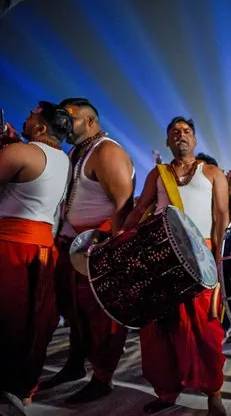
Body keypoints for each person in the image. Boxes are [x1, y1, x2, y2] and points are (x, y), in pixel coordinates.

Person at [121, 116, 229, 416]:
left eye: (187, 132)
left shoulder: (212, 173)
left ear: (195, 140)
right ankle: (166, 392)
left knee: (206, 329)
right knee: (159, 330)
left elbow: (221, 216)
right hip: (161, 257)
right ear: (167, 141)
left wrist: (221, 260)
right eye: (175, 132)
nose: (181, 135)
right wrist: (119, 238)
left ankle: (214, 392)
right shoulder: (157, 175)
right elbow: (140, 210)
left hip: (201, 256)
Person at [40, 98, 134, 403]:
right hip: (72, 247)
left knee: (101, 317)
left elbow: (124, 205)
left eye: (70, 117)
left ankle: (102, 378)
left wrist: (114, 252)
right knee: (74, 312)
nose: (64, 123)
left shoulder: (107, 151)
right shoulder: (76, 151)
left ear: (90, 121)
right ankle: (74, 364)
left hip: (98, 247)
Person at [0, 102, 72, 408]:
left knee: (7, 320)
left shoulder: (21, 153)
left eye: (31, 116)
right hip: (42, 244)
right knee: (31, 321)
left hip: (11, 245)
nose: (26, 118)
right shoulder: (65, 160)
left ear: (41, 127)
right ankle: (22, 388)